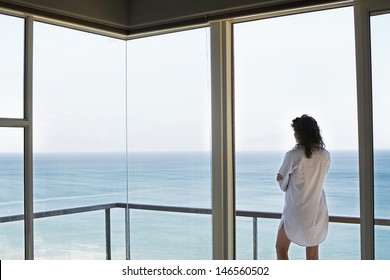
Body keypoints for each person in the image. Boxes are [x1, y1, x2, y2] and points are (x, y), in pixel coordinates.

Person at [275, 114, 330, 260]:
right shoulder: (325, 155)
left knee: (281, 249)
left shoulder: (293, 155)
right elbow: (318, 178)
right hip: (316, 210)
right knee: (312, 256)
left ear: (300, 134)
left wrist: (281, 178)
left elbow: (283, 184)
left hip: (295, 211)